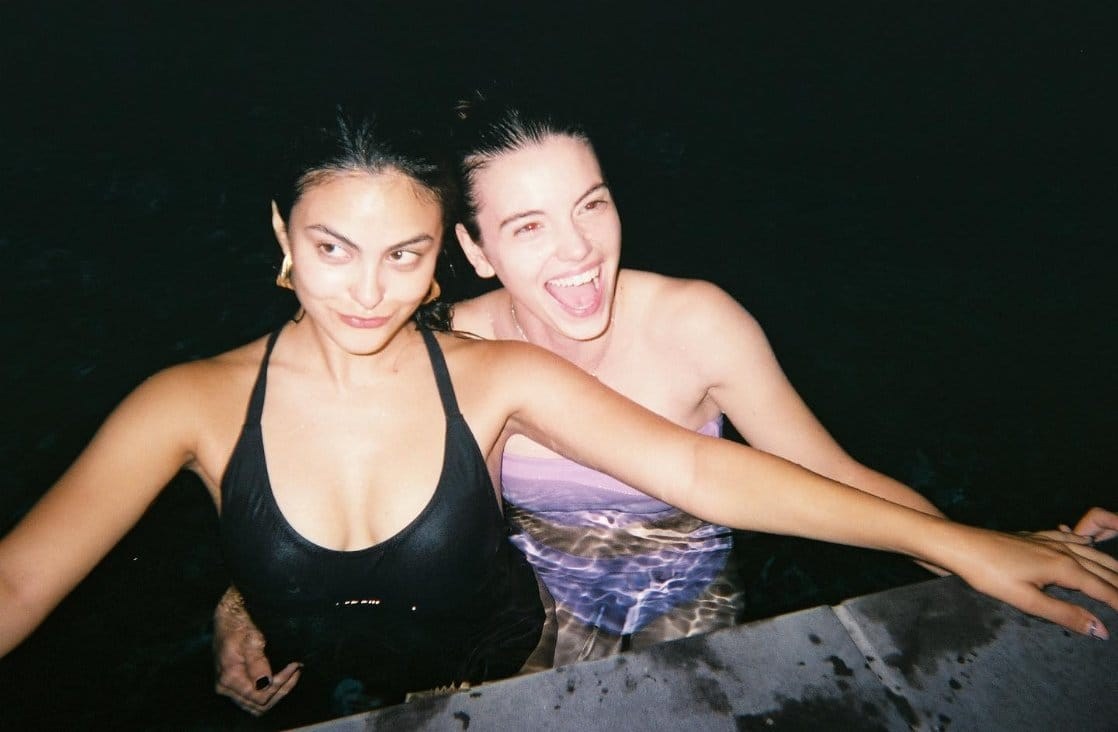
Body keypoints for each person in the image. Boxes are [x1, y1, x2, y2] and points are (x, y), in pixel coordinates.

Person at [3, 110, 1117, 724]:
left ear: (433, 261)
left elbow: (718, 473)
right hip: (475, 611)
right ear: (475, 251)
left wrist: (970, 544)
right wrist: (250, 585)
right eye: (334, 248)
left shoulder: (568, 354)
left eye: (401, 256)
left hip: (625, 596)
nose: (369, 290)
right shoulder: (253, 387)